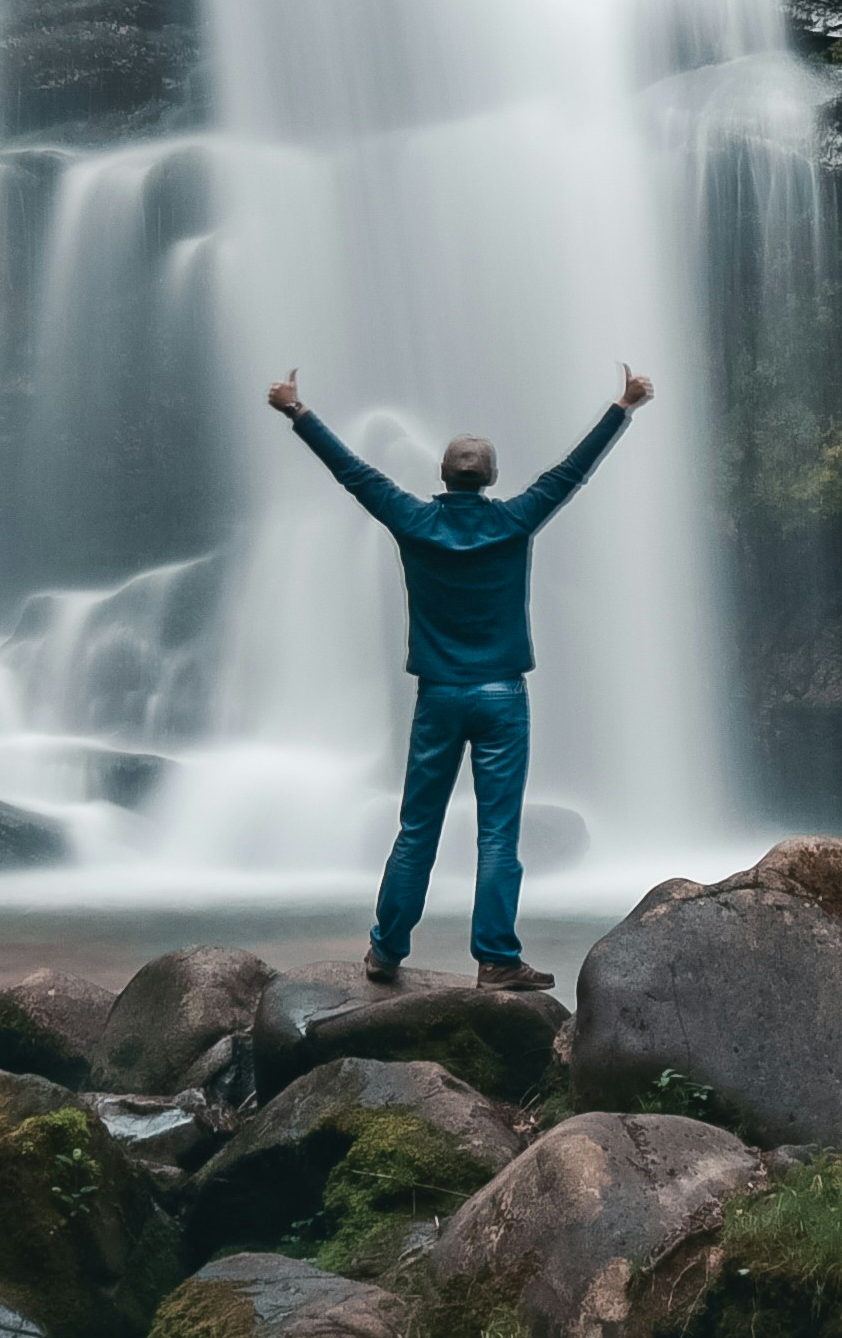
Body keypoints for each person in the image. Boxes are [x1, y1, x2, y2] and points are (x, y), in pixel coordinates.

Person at [269, 361, 651, 989]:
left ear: (442, 476)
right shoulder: (514, 520)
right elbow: (569, 475)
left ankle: (386, 952)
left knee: (417, 828)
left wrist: (297, 411)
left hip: (439, 696)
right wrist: (623, 406)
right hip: (502, 695)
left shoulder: (414, 521)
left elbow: (353, 474)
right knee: (499, 834)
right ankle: (496, 960)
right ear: (491, 478)